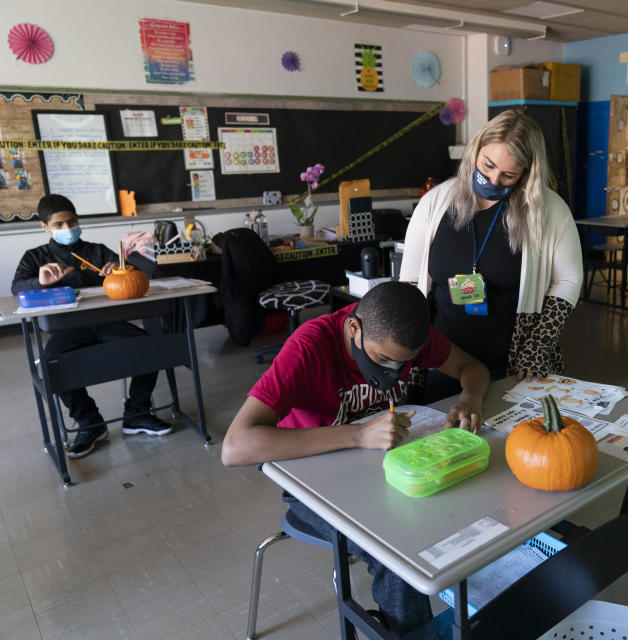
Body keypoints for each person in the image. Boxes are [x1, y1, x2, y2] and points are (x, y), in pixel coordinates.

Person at [221, 281, 490, 637]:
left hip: (380, 472)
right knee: (396, 554)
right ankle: (410, 632)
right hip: (309, 485)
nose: (394, 371)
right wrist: (359, 435)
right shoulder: (310, 347)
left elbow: (472, 367)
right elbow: (235, 447)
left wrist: (470, 398)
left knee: (465, 504)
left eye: (406, 363)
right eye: (383, 359)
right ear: (354, 328)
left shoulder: (402, 336)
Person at [400, 110, 582, 400]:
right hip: (442, 361)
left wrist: (537, 345)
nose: (494, 180)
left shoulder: (549, 210)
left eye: (508, 174)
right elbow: (411, 280)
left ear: (527, 172)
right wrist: (409, 343)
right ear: (476, 151)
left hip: (516, 366)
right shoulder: (435, 202)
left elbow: (569, 279)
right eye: (488, 166)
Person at [11, 195, 173, 458]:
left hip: (108, 323)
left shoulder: (98, 251)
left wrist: (122, 270)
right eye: (59, 224)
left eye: (71, 221)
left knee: (149, 348)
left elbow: (134, 277)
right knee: (52, 364)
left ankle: (137, 413)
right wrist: (39, 282)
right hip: (67, 329)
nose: (67, 228)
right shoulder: (35, 257)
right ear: (45, 227)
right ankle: (90, 423)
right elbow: (17, 289)